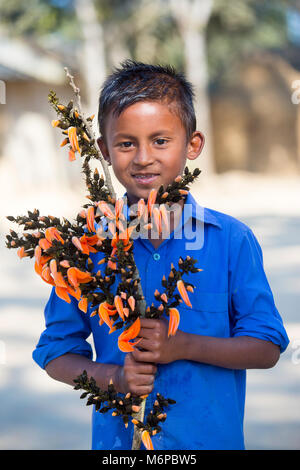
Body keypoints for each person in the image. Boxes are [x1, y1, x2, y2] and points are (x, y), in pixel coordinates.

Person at [33, 60, 289, 450]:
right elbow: (56, 352)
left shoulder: (232, 241)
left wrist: (182, 345)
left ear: (193, 144)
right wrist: (114, 378)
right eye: (125, 143)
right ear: (103, 149)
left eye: (160, 140)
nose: (143, 157)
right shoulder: (86, 247)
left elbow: (267, 346)